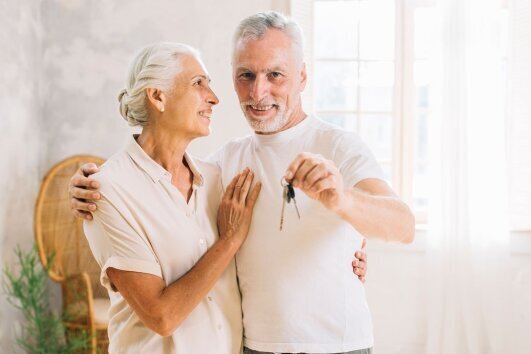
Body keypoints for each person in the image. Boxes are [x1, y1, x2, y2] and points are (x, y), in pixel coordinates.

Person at [71, 12, 414, 354]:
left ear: (302, 76)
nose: (258, 91)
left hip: (337, 346)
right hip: (253, 348)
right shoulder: (222, 165)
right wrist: (85, 188)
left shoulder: (338, 146)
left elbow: (403, 226)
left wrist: (343, 201)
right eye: (245, 76)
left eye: (274, 75)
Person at [81, 42, 262, 353]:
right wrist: (228, 242)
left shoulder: (217, 178)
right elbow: (161, 316)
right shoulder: (107, 190)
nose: (214, 98)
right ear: (157, 96)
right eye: (198, 83)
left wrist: (350, 250)